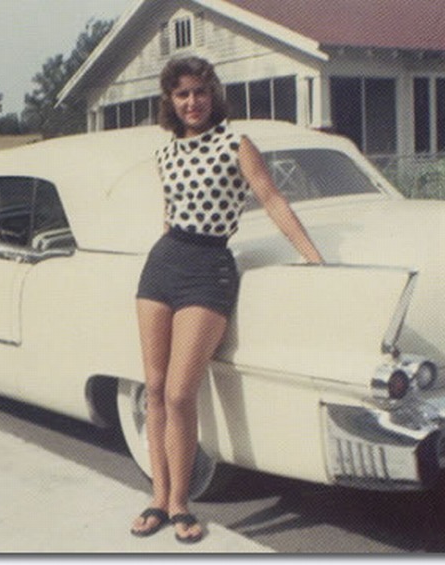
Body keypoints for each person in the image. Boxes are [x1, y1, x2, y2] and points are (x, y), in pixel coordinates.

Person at [131, 57, 324, 544]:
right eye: (182, 95)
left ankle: (180, 504)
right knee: (153, 388)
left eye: (199, 92)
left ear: (213, 94)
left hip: (209, 268)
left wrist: (314, 259)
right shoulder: (166, 153)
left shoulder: (235, 143)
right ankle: (158, 496)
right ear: (170, 101)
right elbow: (168, 215)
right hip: (162, 265)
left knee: (179, 393)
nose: (192, 102)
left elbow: (272, 197)